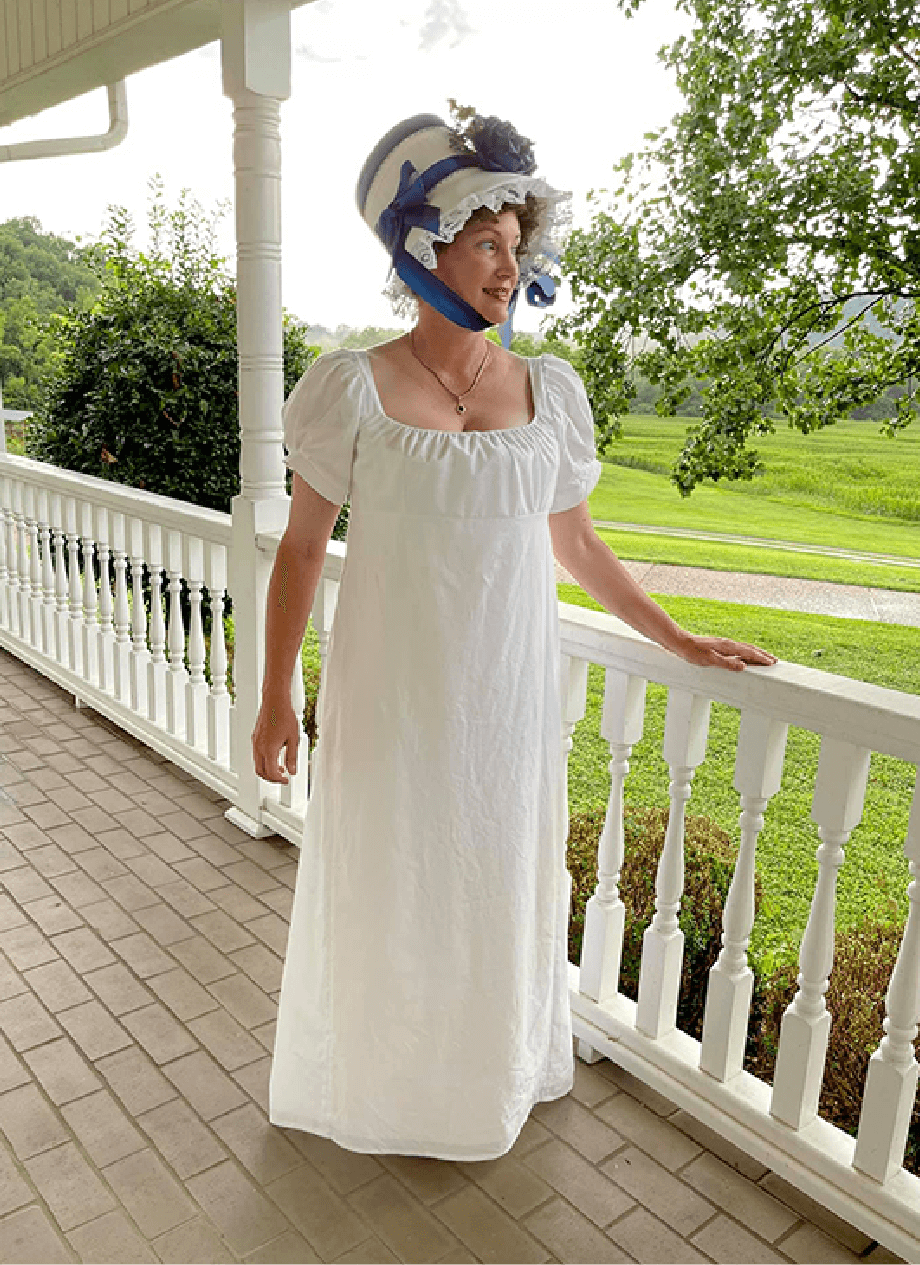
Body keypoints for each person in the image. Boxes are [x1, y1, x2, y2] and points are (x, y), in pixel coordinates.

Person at [252, 110, 776, 1161]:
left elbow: (575, 546)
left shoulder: (548, 391)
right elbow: (302, 551)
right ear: (422, 246)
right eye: (486, 241)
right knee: (394, 870)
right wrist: (274, 696)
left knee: (487, 869)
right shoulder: (350, 385)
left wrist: (673, 634)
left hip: (504, 693)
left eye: (515, 246)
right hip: (393, 684)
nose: (507, 265)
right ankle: (382, 1076)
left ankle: (479, 1069)